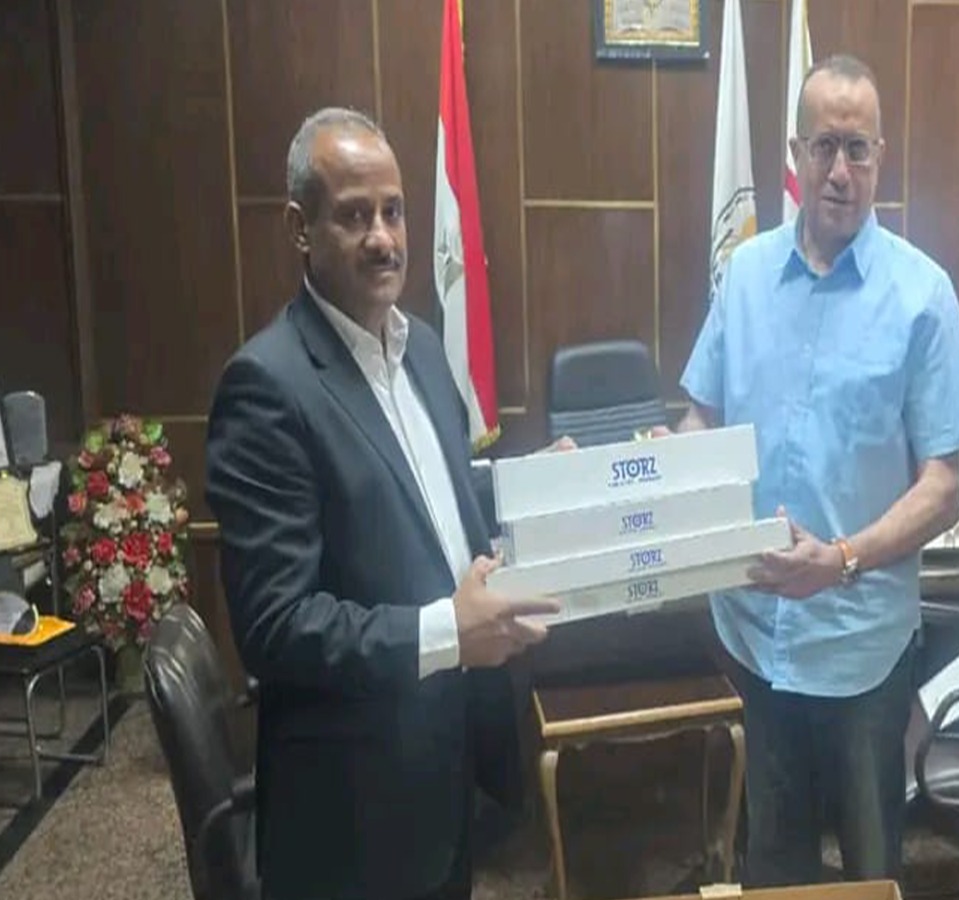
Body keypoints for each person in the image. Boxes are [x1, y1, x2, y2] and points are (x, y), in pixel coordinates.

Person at [204, 107, 561, 900]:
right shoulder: (267, 387)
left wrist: (535, 483)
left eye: (393, 212)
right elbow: (275, 627)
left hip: (445, 770)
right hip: (352, 814)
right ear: (300, 228)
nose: (382, 239)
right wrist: (447, 631)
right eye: (354, 215)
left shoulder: (423, 348)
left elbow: (437, 499)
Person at [675, 55, 959, 886]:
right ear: (795, 154)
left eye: (858, 149)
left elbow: (944, 485)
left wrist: (841, 559)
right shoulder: (744, 277)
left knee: (870, 868)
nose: (841, 171)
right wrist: (639, 477)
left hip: (862, 650)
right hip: (754, 635)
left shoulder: (923, 295)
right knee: (774, 864)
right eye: (824, 147)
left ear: (881, 157)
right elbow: (700, 418)